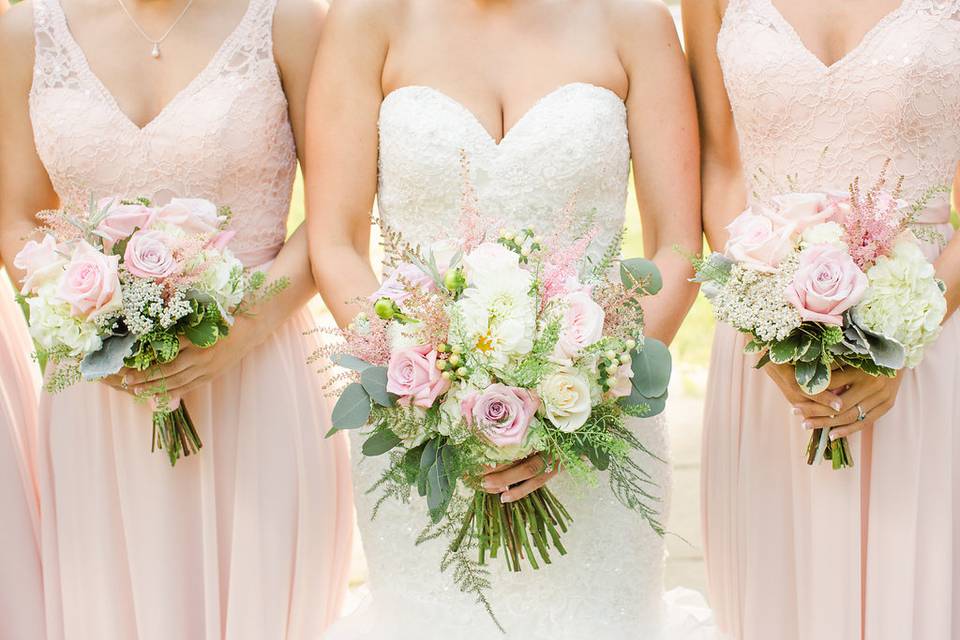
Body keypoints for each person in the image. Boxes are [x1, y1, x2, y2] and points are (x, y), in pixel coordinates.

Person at [305, 1, 711, 637]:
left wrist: (583, 397)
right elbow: (333, 241)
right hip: (416, 425)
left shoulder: (635, 22)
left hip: (595, 425)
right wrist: (423, 388)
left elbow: (678, 247)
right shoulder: (366, 22)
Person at [0, 0, 352, 637]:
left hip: (257, 373)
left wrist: (241, 327)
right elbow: (16, 218)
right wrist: (88, 318)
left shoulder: (291, 19)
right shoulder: (25, 30)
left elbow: (334, 220)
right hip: (100, 396)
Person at [683, 0, 960, 637]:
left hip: (926, 348)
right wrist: (766, 322)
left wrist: (912, 332)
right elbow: (720, 162)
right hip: (767, 359)